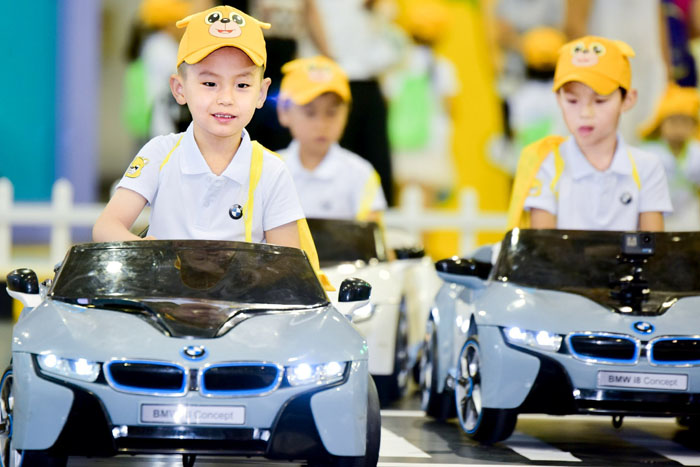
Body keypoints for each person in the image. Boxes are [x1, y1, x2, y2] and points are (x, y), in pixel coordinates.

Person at [94, 5, 304, 248]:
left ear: (261, 93)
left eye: (242, 85)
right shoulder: (159, 154)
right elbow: (106, 227)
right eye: (209, 83)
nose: (226, 98)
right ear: (179, 89)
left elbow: (288, 261)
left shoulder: (272, 171)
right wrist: (149, 251)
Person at [507, 35, 672, 231]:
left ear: (627, 99)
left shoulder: (647, 167)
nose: (585, 113)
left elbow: (652, 244)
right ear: (558, 99)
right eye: (572, 101)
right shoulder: (545, 164)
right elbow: (543, 244)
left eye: (600, 101)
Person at [275, 56, 387, 222]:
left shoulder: (361, 174)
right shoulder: (269, 170)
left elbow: (371, 234)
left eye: (331, 113)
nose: (321, 125)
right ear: (283, 111)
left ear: (347, 113)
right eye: (310, 113)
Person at [639, 84, 700, 231]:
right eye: (673, 122)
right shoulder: (648, 153)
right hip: (656, 215)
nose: (679, 128)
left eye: (685, 122)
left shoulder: (696, 152)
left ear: (694, 125)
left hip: (688, 217)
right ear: (660, 124)